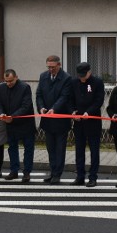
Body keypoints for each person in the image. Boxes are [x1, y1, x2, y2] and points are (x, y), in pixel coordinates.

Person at [36, 55, 72, 184]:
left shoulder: (66, 78)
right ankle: (52, 171)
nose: (50, 69)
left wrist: (54, 109)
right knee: (50, 148)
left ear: (59, 65)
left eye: (52, 67)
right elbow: (39, 94)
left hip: (60, 119)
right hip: (47, 120)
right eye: (48, 67)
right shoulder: (43, 76)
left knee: (59, 149)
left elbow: (64, 97)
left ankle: (57, 173)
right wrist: (41, 108)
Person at [0, 68, 36, 183]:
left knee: (28, 149)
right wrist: (1, 113)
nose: (8, 83)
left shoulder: (25, 87)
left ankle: (27, 172)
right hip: (10, 124)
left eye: (11, 81)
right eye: (6, 81)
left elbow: (26, 106)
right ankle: (14, 171)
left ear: (16, 77)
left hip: (25, 124)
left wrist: (12, 117)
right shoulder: (2, 88)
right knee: (12, 148)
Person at [69, 62, 104, 187]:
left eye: (84, 75)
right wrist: (73, 112)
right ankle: (80, 176)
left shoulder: (97, 83)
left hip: (93, 122)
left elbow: (99, 100)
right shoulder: (74, 82)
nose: (82, 78)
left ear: (90, 72)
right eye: (80, 75)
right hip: (78, 123)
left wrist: (88, 112)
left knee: (94, 151)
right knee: (79, 150)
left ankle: (93, 177)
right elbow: (70, 99)